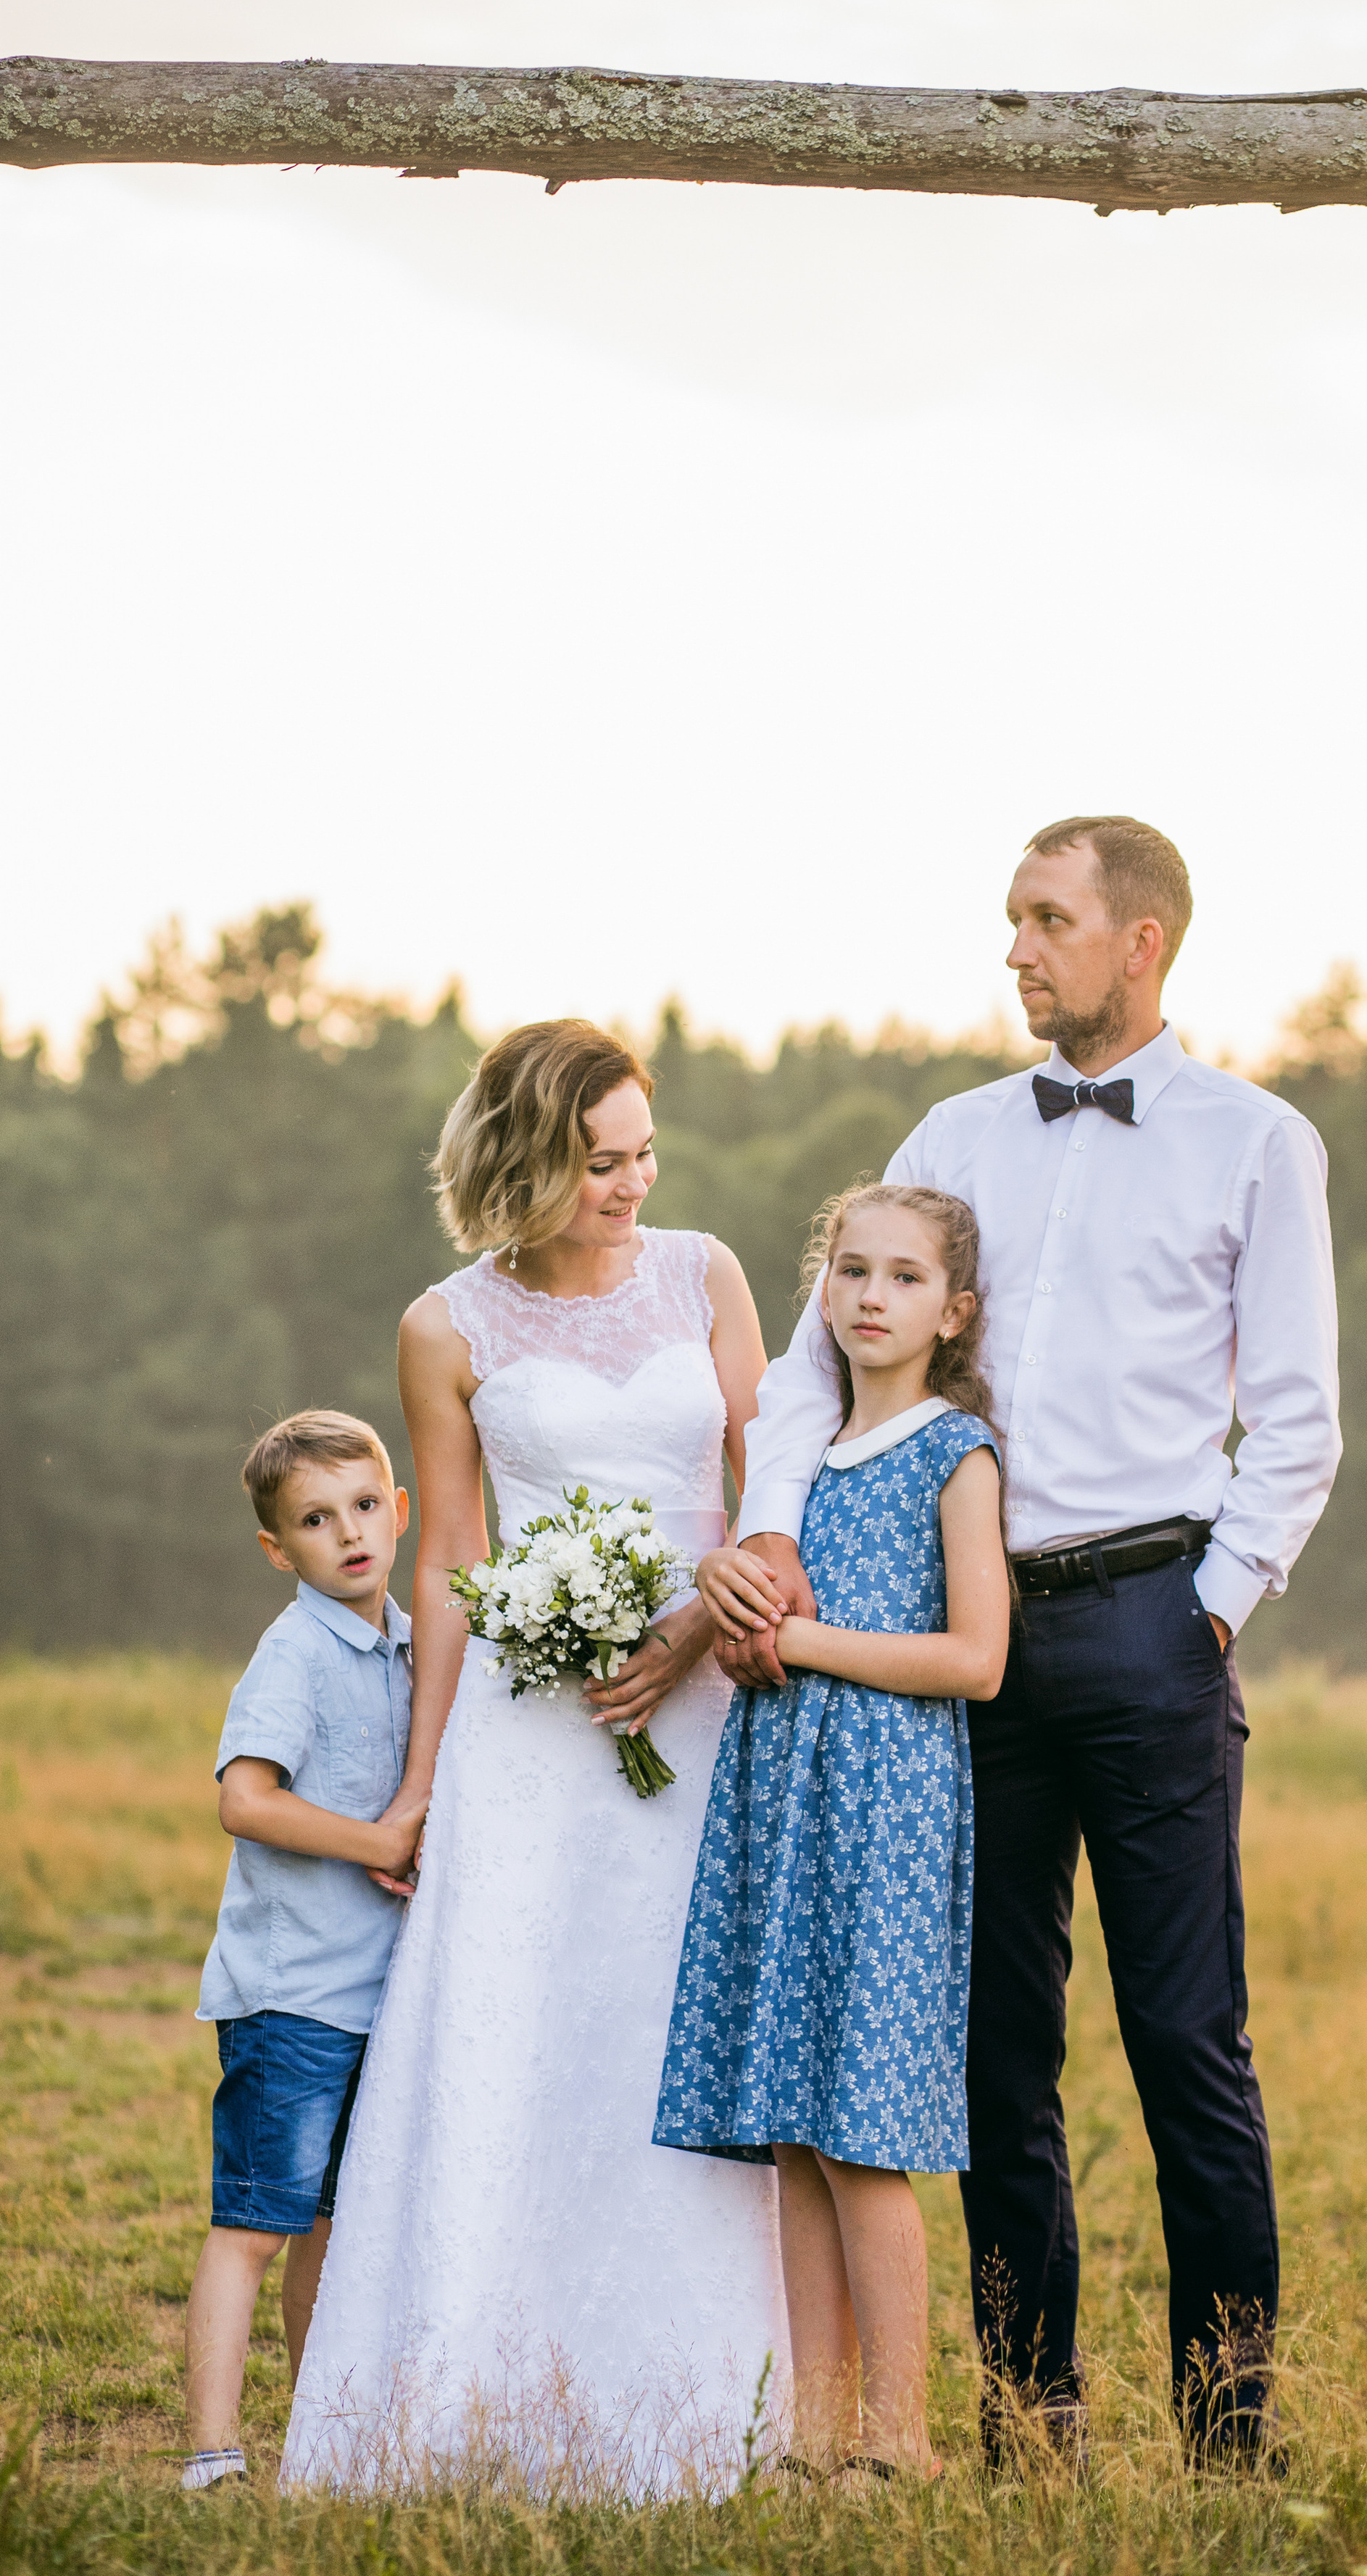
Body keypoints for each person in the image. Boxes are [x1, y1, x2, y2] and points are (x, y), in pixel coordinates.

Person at [700, 816, 1342, 2467]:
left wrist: (1209, 1607)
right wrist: (771, 1528)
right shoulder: (953, 1131)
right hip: (946, 1653)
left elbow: (1296, 1421)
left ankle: (1223, 2437)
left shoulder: (1256, 1143)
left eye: (1046, 920)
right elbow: (805, 1371)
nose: (1015, 949)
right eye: (1010, 919)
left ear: (1140, 942)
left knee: (1186, 2043)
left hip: (1149, 1624)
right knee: (991, 2053)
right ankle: (1024, 2420)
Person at [283, 1021, 786, 2501]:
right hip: (528, 1726)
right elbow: (451, 1561)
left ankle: (703, 2410)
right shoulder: (446, 1325)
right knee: (515, 2034)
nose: (632, 1183)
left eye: (643, 1153)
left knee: (663, 2030)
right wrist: (425, 1782)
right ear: (524, 1157)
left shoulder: (705, 1275)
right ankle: (475, 2398)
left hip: (696, 1707)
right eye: (599, 1160)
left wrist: (701, 1620)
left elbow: (777, 1484)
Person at [655, 1184, 1010, 2483]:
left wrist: (789, 1639)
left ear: (954, 1311)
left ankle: (900, 2444)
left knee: (863, 2133)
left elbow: (977, 1659)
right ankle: (815, 2443)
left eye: (906, 1278)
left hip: (888, 1808)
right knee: (796, 2132)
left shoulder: (952, 1451)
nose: (871, 1296)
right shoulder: (793, 1463)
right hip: (782, 1791)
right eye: (852, 1271)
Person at [182, 1410, 423, 2494]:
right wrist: (375, 1841)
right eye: (318, 1522)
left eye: (365, 1507)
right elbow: (245, 1800)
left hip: (379, 1993)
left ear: (402, 1510)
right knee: (256, 2224)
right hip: (294, 1997)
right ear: (281, 1551)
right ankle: (213, 2454)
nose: (351, 1534)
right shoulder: (297, 1652)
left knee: (331, 2225)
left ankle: (320, 2437)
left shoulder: (416, 1644)